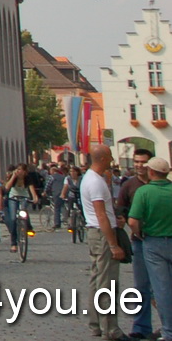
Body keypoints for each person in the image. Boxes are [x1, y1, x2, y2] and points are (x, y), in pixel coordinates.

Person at [82, 145, 127, 341]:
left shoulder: (91, 179)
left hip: (95, 232)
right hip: (101, 233)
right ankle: (110, 328)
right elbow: (100, 214)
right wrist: (113, 244)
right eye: (109, 156)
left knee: (96, 279)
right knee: (107, 283)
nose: (111, 160)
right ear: (102, 158)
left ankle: (95, 324)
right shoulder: (96, 182)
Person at [126, 155, 171, 341]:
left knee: (162, 288)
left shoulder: (144, 192)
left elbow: (133, 220)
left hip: (154, 242)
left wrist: (138, 233)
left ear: (151, 172)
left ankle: (169, 331)